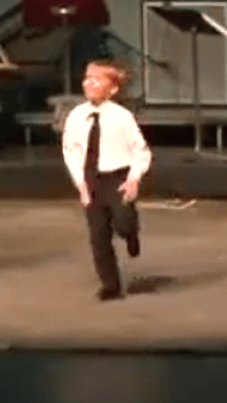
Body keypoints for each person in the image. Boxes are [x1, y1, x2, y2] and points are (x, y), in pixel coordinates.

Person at [61, 60, 152, 301]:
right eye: (87, 77)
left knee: (122, 220)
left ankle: (130, 233)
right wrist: (81, 184)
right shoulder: (76, 116)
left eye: (97, 79)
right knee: (98, 235)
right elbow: (71, 151)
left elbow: (140, 150)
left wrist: (133, 179)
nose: (89, 83)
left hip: (117, 176)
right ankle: (110, 285)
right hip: (92, 178)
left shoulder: (122, 117)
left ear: (112, 89)